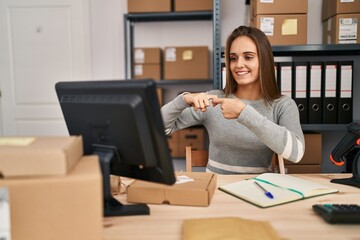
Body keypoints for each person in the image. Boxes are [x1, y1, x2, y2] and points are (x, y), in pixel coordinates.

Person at [161, 25, 305, 174]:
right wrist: (183, 100)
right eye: (233, 58)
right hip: (216, 189)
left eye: (248, 57)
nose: (238, 65)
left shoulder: (282, 105)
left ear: (264, 60)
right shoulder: (214, 100)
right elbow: (159, 127)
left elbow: (296, 153)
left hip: (258, 191)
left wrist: (244, 113)